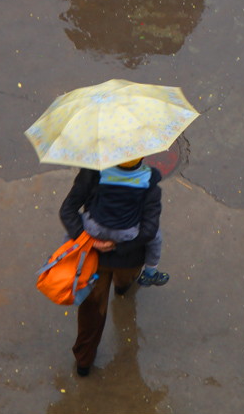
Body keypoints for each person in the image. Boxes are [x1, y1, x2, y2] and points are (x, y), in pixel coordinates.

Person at [59, 157, 168, 377]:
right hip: (130, 256)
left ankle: (84, 362)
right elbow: (148, 231)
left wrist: (91, 241)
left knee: (92, 310)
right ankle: (122, 287)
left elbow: (68, 211)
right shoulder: (150, 185)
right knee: (126, 278)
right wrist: (118, 246)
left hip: (93, 258)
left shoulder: (92, 173)